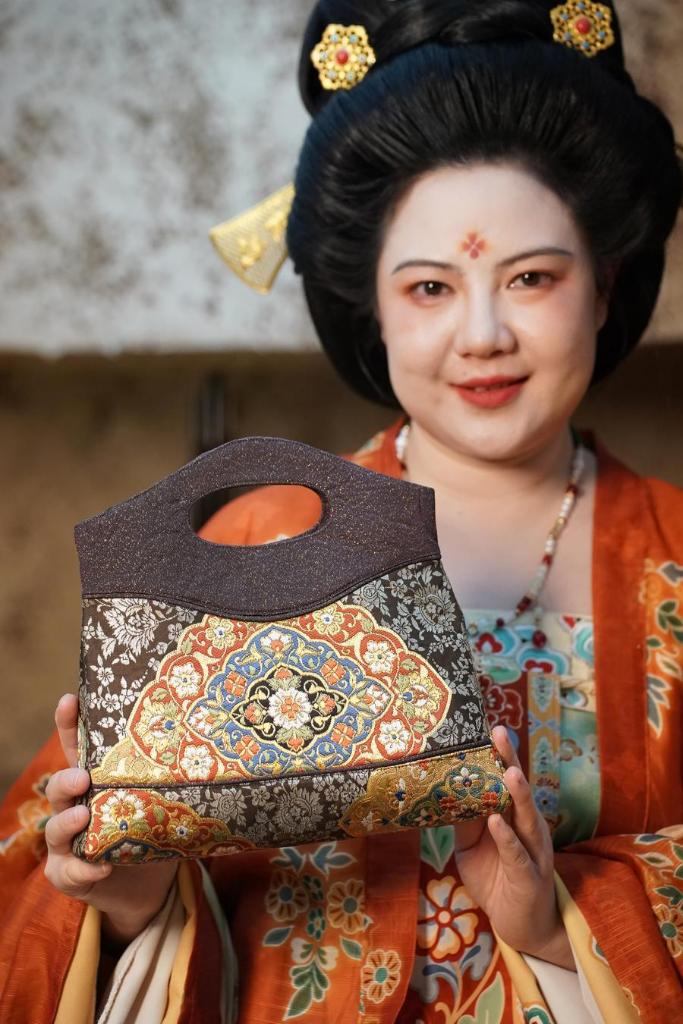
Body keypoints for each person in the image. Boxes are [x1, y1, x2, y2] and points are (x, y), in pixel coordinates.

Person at [1, 1, 682, 1020]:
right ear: (372, 305)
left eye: (531, 277)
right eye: (428, 289)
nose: (482, 334)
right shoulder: (242, 546)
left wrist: (555, 924)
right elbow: (33, 895)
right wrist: (133, 898)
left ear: (603, 284)